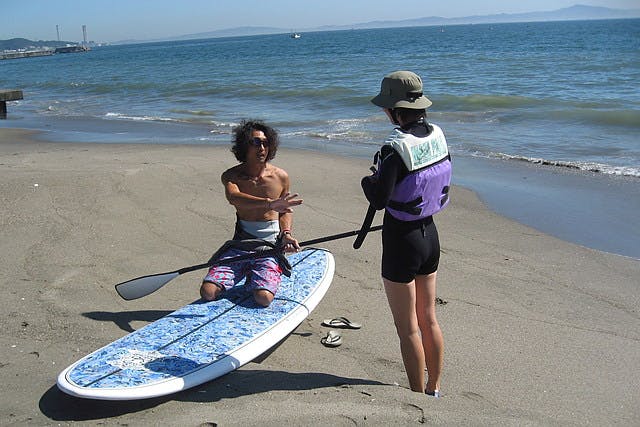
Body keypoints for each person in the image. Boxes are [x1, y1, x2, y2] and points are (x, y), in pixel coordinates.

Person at [361, 71, 451, 396]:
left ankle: (417, 394)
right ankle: (434, 387)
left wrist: (367, 182)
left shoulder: (395, 148)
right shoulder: (437, 134)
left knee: (408, 328)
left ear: (394, 111)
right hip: (430, 236)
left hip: (402, 241)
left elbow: (380, 198)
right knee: (429, 318)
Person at [200, 119, 302, 307]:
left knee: (263, 298)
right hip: (240, 245)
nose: (262, 147)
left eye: (266, 143)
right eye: (256, 142)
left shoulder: (280, 177)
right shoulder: (232, 176)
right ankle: (248, 274)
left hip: (269, 247)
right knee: (208, 292)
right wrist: (270, 204)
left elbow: (284, 210)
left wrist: (286, 234)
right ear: (244, 146)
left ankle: (263, 274)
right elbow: (234, 198)